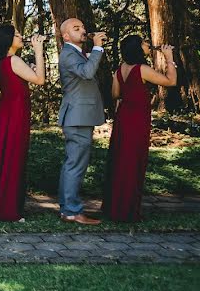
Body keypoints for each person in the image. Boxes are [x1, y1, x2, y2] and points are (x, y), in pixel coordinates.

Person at [103, 36, 176, 222]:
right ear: (137, 48)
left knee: (121, 159)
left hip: (124, 118)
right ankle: (126, 210)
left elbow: (115, 94)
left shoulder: (120, 70)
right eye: (143, 42)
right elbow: (170, 81)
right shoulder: (141, 69)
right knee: (133, 161)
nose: (147, 44)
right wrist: (169, 58)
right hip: (137, 119)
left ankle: (115, 207)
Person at [0, 25, 46, 222]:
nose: (21, 36)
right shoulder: (14, 60)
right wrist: (38, 52)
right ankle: (8, 209)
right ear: (8, 40)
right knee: (13, 156)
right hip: (16, 111)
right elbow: (40, 80)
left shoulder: (1, 62)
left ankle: (0, 205)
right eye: (17, 34)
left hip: (8, 110)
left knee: (6, 154)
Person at [57, 18, 107, 225]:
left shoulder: (76, 53)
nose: (83, 31)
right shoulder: (68, 54)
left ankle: (69, 209)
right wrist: (97, 49)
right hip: (76, 116)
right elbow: (87, 73)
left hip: (81, 115)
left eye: (83, 27)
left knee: (75, 163)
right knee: (75, 164)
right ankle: (71, 211)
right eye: (76, 28)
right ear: (66, 36)